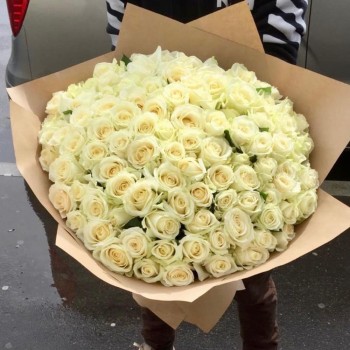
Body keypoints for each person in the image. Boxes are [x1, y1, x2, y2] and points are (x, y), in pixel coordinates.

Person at [105, 1, 309, 349]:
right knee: (153, 250)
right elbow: (122, 34)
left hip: (237, 118)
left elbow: (281, 30)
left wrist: (252, 85)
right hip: (158, 120)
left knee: (252, 265)